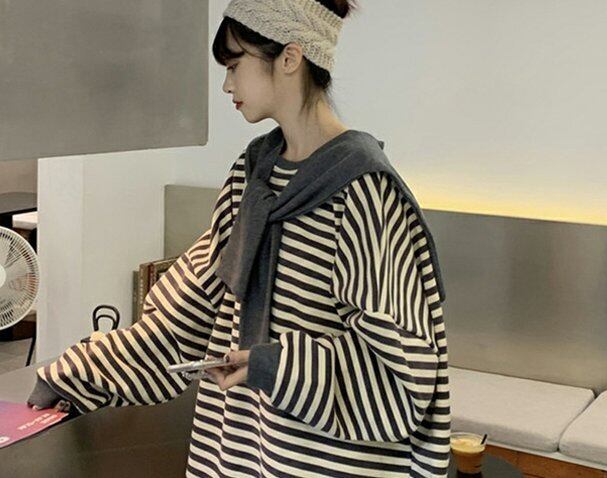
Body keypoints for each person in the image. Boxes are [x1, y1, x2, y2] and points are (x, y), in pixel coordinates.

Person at [28, 0, 451, 476]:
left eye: (234, 65)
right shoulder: (252, 180)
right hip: (237, 454)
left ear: (289, 58)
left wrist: (277, 366)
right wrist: (77, 374)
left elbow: (400, 371)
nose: (227, 85)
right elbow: (186, 316)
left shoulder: (363, 193)